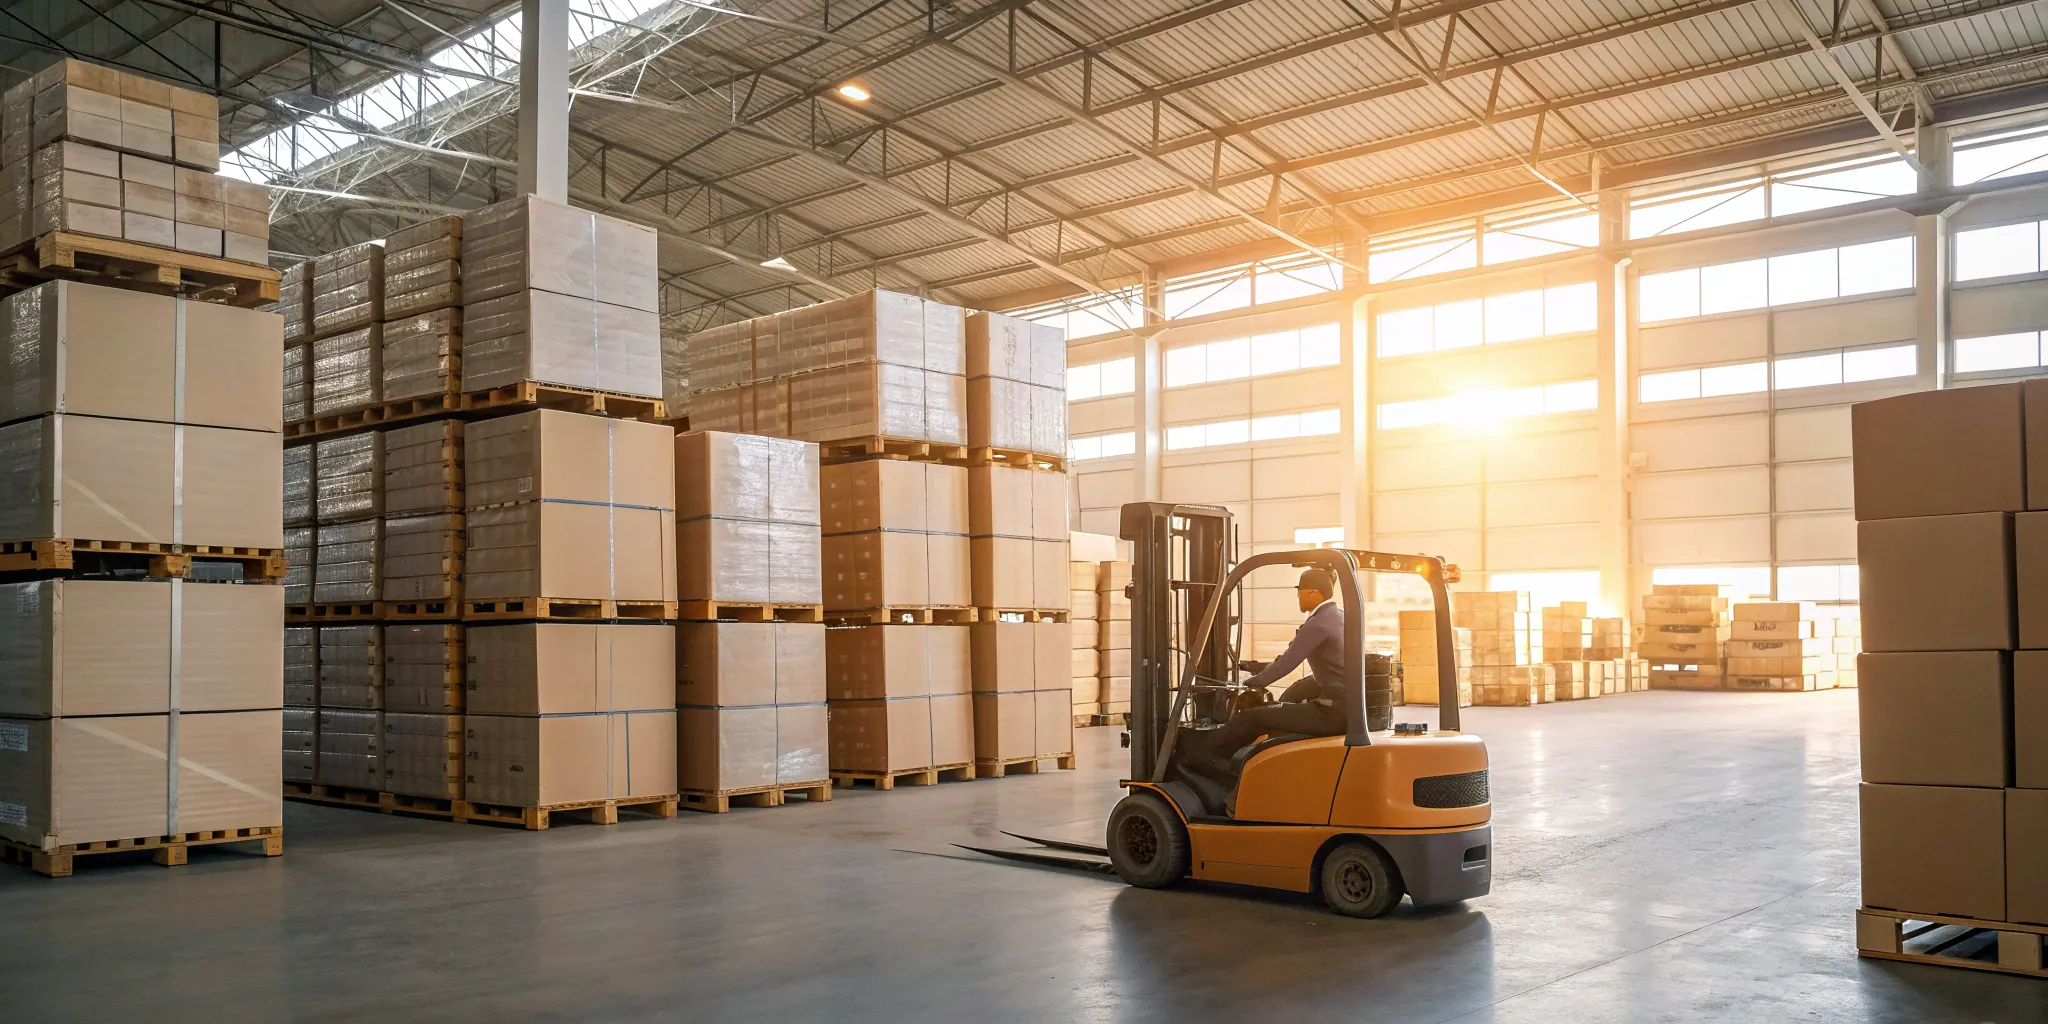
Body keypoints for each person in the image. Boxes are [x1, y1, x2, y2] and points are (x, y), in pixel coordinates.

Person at [1202, 567, 1351, 763]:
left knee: (1251, 718)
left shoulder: (1318, 623)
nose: (1297, 597)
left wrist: (1251, 683)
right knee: (1274, 707)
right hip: (1344, 707)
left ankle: (1211, 761)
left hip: (1331, 713)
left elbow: (1286, 663)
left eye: (1299, 592)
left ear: (1313, 592)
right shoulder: (1338, 615)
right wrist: (1258, 670)